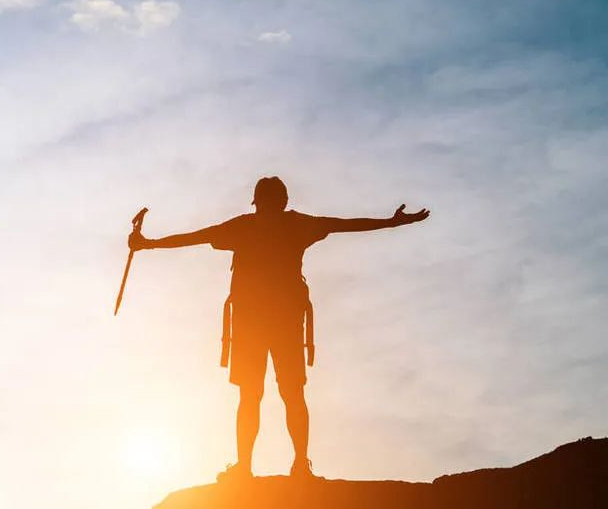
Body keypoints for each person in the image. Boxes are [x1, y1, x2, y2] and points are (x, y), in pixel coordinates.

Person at [127, 176, 429, 482]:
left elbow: (197, 237)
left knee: (252, 395)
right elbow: (343, 224)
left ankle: (247, 467)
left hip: (252, 324)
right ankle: (296, 466)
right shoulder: (296, 225)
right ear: (284, 201)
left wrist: (148, 244)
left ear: (257, 202)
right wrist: (391, 222)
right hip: (282, 322)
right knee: (291, 393)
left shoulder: (245, 227)